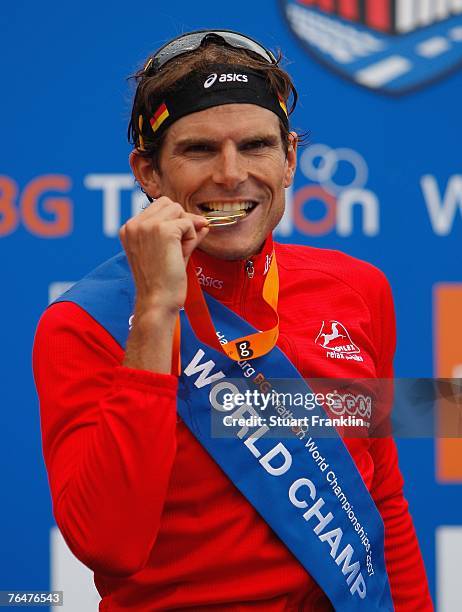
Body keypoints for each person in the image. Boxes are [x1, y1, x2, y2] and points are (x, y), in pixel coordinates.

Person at [33, 30, 433, 611]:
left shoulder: (357, 290)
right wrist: (154, 315)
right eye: (198, 150)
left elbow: (383, 501)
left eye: (255, 146)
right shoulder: (86, 323)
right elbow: (108, 545)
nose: (230, 174)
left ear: (290, 158)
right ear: (147, 172)